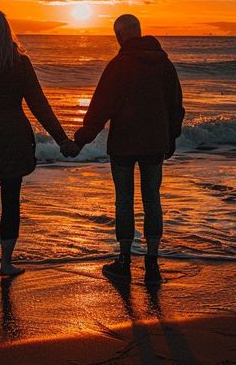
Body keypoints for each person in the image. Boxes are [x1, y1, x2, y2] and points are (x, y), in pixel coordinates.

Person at [0, 10, 78, 277]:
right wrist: (62, 139)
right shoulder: (20, 63)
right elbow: (39, 105)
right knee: (11, 201)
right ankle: (7, 263)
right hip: (14, 137)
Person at [74, 14, 184, 284]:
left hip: (123, 146)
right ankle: (152, 264)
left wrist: (79, 141)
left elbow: (100, 108)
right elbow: (176, 107)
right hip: (154, 144)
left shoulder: (118, 65)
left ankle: (124, 261)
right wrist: (170, 139)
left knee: (124, 201)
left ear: (119, 36)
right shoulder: (164, 64)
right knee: (152, 200)